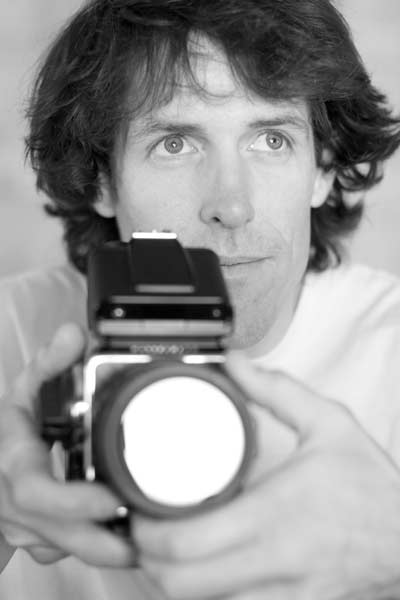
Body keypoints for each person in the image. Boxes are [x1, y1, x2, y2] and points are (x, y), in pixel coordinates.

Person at [1, 0, 400, 598]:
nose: (231, 205)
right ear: (104, 178)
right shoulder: (12, 334)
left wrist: (391, 548)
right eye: (175, 144)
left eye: (271, 139)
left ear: (321, 169)